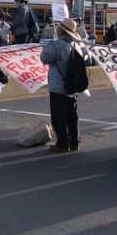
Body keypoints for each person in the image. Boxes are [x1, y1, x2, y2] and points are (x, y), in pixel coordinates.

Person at [42, 18, 87, 152]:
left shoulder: (57, 45)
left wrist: (47, 46)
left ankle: (62, 144)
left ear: (61, 30)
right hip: (72, 86)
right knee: (72, 116)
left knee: (58, 117)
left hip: (59, 87)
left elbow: (44, 58)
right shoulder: (76, 46)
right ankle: (74, 142)